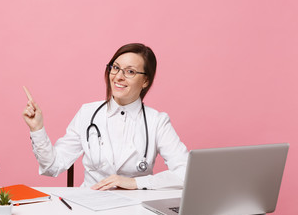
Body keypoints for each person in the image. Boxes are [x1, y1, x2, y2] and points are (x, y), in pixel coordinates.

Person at [23, 43, 189, 190]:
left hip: (135, 210)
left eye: (130, 71)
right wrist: (37, 129)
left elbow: (186, 173)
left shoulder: (157, 121)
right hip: (91, 206)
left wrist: (136, 183)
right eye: (115, 68)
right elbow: (52, 166)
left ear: (145, 81)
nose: (118, 77)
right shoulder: (87, 113)